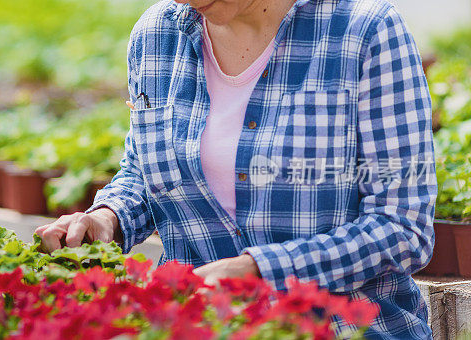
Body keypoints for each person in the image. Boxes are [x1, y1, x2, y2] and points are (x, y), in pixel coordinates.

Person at [36, 0, 437, 338]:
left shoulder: (363, 31)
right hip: (201, 326)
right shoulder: (157, 35)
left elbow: (402, 227)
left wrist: (258, 271)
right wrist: (109, 219)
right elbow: (146, 172)